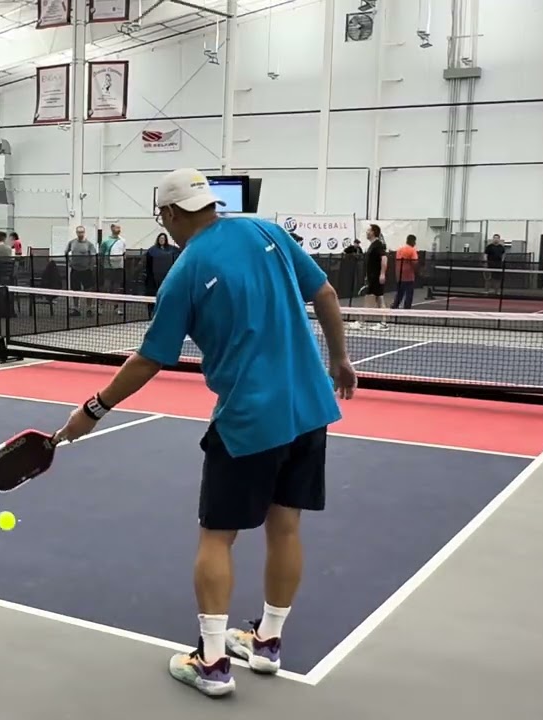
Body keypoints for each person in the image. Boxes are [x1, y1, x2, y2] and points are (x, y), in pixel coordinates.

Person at [54, 168, 357, 697]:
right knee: (285, 529)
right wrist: (341, 360)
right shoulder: (267, 231)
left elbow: (151, 359)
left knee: (218, 537)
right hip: (310, 407)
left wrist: (93, 409)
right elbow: (327, 293)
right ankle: (267, 643)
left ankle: (212, 662)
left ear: (170, 215)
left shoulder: (185, 273)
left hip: (248, 421)